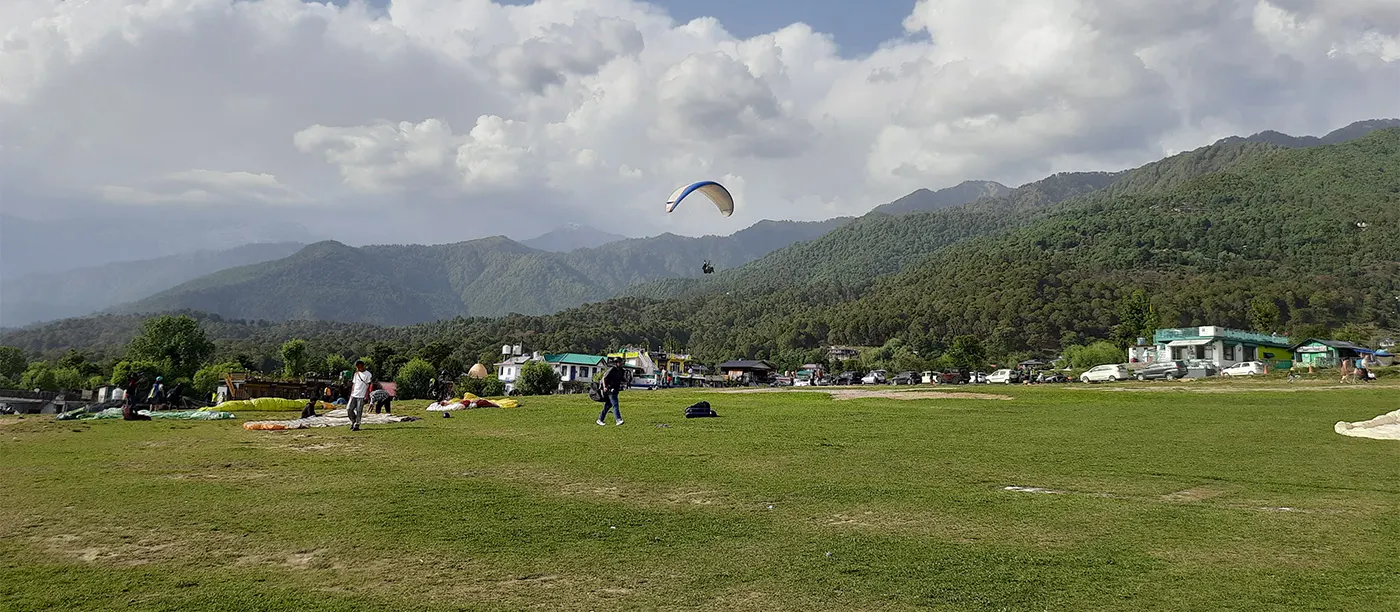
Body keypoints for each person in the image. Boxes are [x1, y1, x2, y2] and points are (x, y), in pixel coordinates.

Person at [597, 358, 626, 426]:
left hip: (615, 389)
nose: (621, 363)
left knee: (608, 405)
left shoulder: (621, 370)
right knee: (615, 405)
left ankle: (600, 419)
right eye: (619, 362)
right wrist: (604, 387)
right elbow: (604, 378)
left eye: (621, 362)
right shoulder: (612, 369)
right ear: (616, 363)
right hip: (610, 390)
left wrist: (626, 381)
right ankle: (618, 420)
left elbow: (622, 379)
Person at [347, 360, 372, 431]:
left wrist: (367, 395)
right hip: (354, 394)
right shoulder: (356, 374)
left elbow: (369, 385)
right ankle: (353, 420)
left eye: (359, 367)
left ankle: (357, 424)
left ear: (363, 366)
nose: (358, 369)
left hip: (362, 395)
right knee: (349, 409)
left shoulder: (368, 374)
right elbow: (354, 384)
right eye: (357, 367)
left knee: (359, 410)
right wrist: (351, 393)